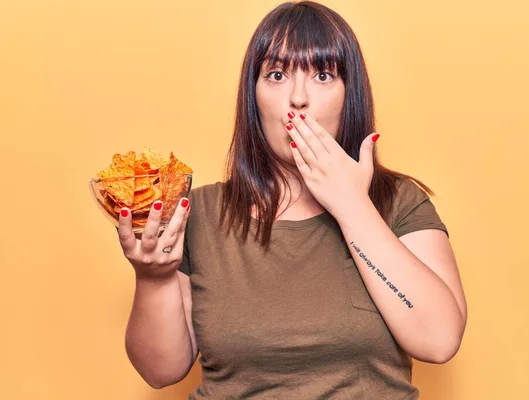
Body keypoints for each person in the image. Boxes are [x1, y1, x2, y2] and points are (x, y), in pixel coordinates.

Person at [116, 1, 468, 398]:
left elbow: (439, 341)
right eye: (277, 75)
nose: (298, 98)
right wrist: (153, 277)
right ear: (253, 96)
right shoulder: (199, 213)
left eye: (322, 75)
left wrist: (353, 206)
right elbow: (160, 371)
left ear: (349, 94)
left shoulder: (400, 203)